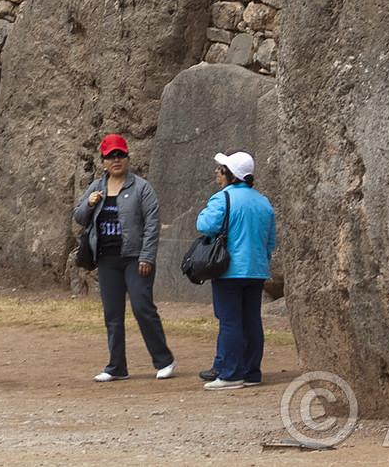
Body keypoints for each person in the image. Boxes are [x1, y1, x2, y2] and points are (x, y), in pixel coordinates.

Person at [71, 133, 175, 382]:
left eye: (121, 155)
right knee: (113, 314)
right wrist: (89, 204)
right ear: (103, 161)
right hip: (107, 259)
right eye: (111, 156)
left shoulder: (141, 187)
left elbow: (152, 224)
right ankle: (116, 366)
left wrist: (147, 257)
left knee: (142, 307)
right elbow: (78, 216)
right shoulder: (96, 187)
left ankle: (164, 359)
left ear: (128, 158)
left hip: (135, 257)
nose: (116, 160)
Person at [194, 150, 277, 390]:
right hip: (257, 269)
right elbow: (271, 241)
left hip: (229, 269)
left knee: (230, 321)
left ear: (230, 174)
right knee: (251, 320)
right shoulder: (263, 201)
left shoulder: (223, 198)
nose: (217, 173)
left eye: (221, 169)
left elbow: (205, 224)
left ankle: (230, 374)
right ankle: (251, 372)